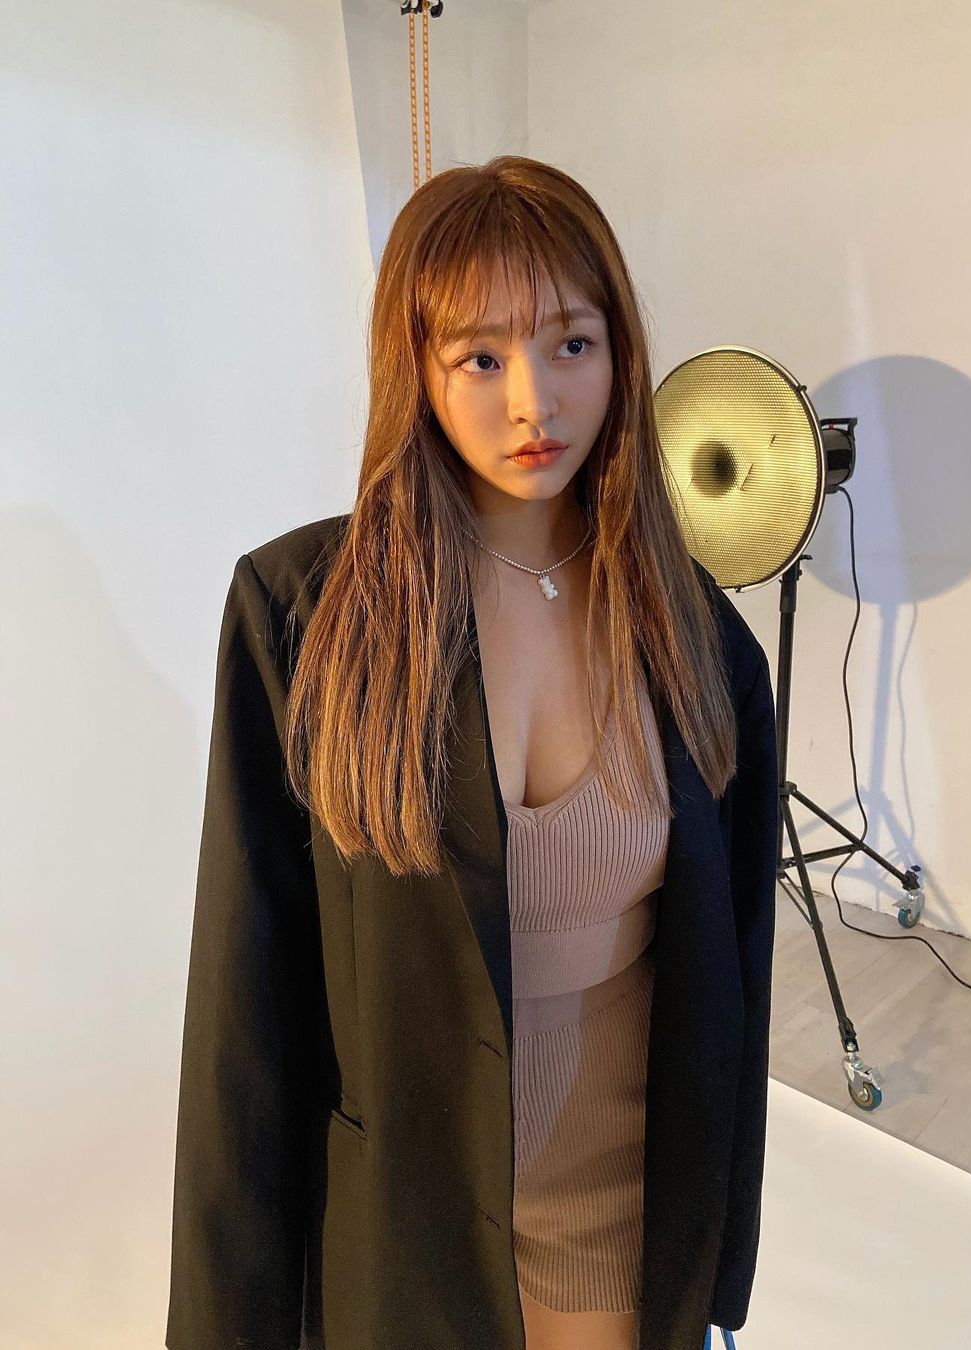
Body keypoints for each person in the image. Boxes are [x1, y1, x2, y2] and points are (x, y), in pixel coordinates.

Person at [166, 155, 776, 1350]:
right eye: (481, 358)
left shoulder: (697, 636)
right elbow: (244, 1014)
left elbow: (734, 980)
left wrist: (720, 1260)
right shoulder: (305, 617)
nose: (534, 404)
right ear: (418, 367)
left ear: (621, 352)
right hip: (414, 1228)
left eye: (571, 345)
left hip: (624, 1214)